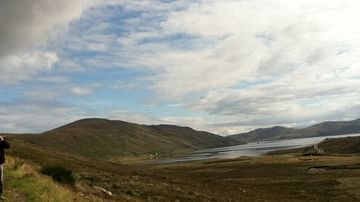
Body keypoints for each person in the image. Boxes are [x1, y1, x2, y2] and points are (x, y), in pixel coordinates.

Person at [0, 136, 10, 200]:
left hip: (0, 163)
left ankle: (0, 195)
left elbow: (7, 146)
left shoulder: (1, 140)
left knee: (0, 179)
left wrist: (3, 139)